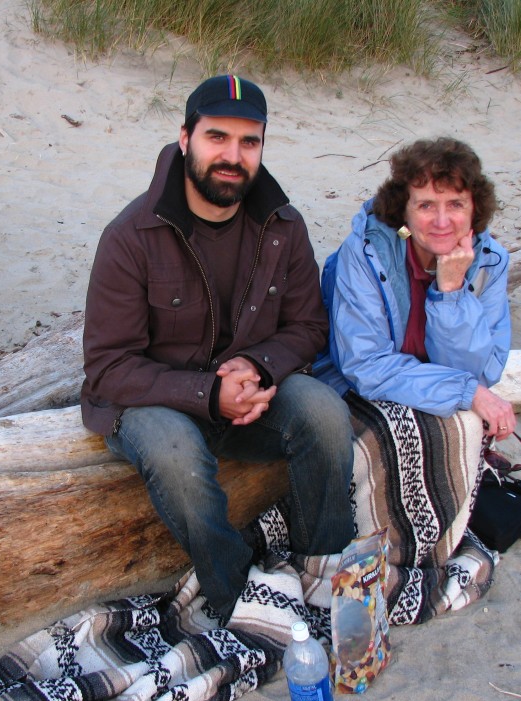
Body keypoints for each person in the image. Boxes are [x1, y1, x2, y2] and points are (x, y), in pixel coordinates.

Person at [80, 75, 355, 623]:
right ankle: (235, 591)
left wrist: (257, 366)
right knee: (176, 454)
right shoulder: (131, 235)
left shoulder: (283, 226)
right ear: (185, 138)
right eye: (217, 137)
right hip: (152, 402)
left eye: (249, 141)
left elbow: (307, 325)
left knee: (325, 412)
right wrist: (209, 394)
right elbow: (108, 367)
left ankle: (321, 567)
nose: (233, 156)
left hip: (250, 396)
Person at [316, 136, 517, 439]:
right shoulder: (366, 254)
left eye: (456, 204)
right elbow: (365, 365)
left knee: (467, 426)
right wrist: (466, 391)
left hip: (439, 391)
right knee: (416, 435)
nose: (442, 221)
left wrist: (451, 291)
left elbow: (480, 372)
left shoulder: (491, 261)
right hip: (357, 388)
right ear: (404, 212)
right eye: (426, 205)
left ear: (474, 208)